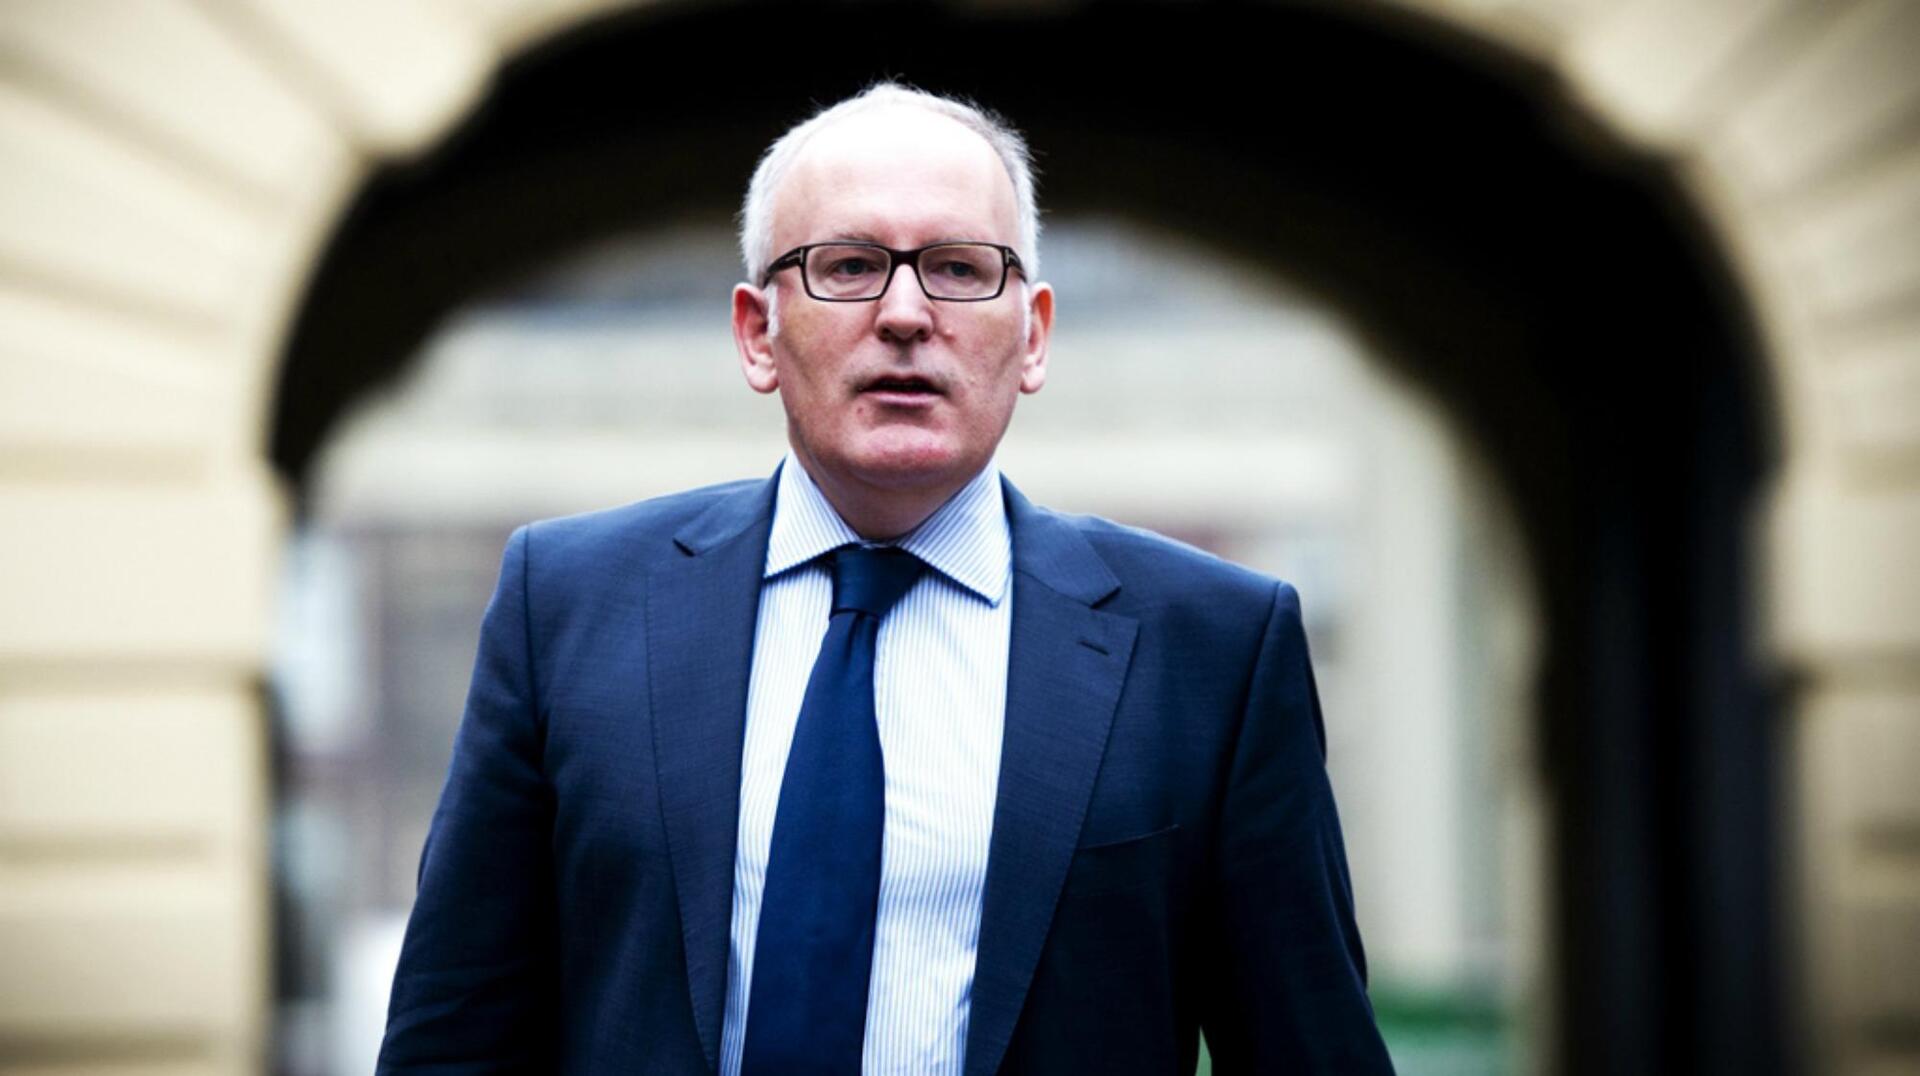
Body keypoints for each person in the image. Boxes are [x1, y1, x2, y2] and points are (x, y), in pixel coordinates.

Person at [377, 82, 1393, 1075]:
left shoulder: (1210, 648)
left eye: (958, 268)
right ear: (757, 333)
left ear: (1033, 334)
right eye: (851, 266)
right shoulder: (567, 605)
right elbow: (454, 1036)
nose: (906, 312)